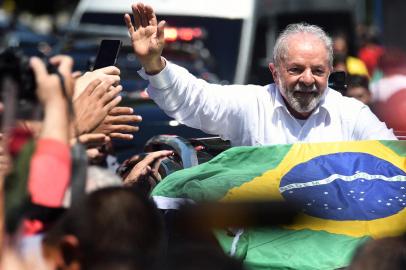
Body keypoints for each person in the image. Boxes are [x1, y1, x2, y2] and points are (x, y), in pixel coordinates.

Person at [124, 3, 396, 148]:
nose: (307, 79)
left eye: (318, 71)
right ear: (274, 73)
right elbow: (193, 99)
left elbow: (392, 159)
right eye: (296, 69)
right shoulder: (251, 104)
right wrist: (154, 63)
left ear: (331, 72)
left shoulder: (351, 114)